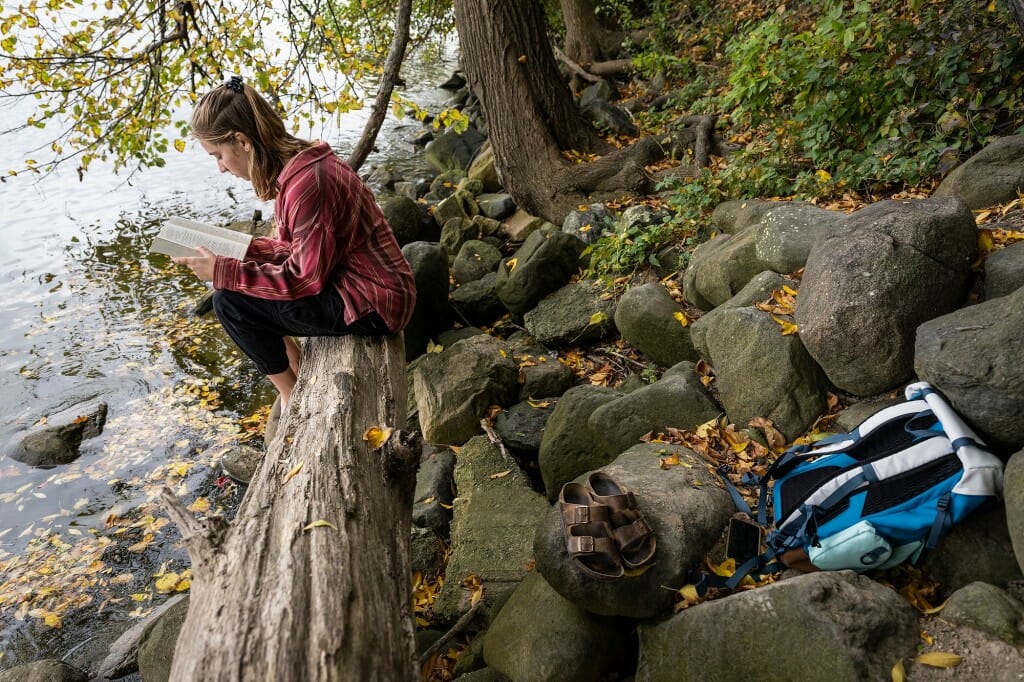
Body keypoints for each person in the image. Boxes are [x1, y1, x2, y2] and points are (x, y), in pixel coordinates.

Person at [173, 76, 416, 406]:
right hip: (364, 286)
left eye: (218, 155)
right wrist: (239, 249)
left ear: (242, 141)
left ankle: (291, 395)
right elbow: (293, 250)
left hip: (374, 303)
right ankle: (295, 368)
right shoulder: (299, 168)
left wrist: (224, 272)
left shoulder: (309, 185)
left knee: (228, 301)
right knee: (240, 279)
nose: (220, 168)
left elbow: (304, 278)